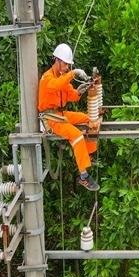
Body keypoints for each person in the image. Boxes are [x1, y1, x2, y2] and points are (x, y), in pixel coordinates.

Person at [38, 43, 100, 191]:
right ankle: (84, 176)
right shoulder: (47, 78)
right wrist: (72, 74)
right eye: (65, 64)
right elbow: (55, 86)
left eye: (68, 65)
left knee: (88, 119)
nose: (66, 67)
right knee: (77, 135)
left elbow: (70, 95)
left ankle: (88, 154)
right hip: (50, 118)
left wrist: (79, 91)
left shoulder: (61, 77)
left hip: (61, 114)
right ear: (57, 61)